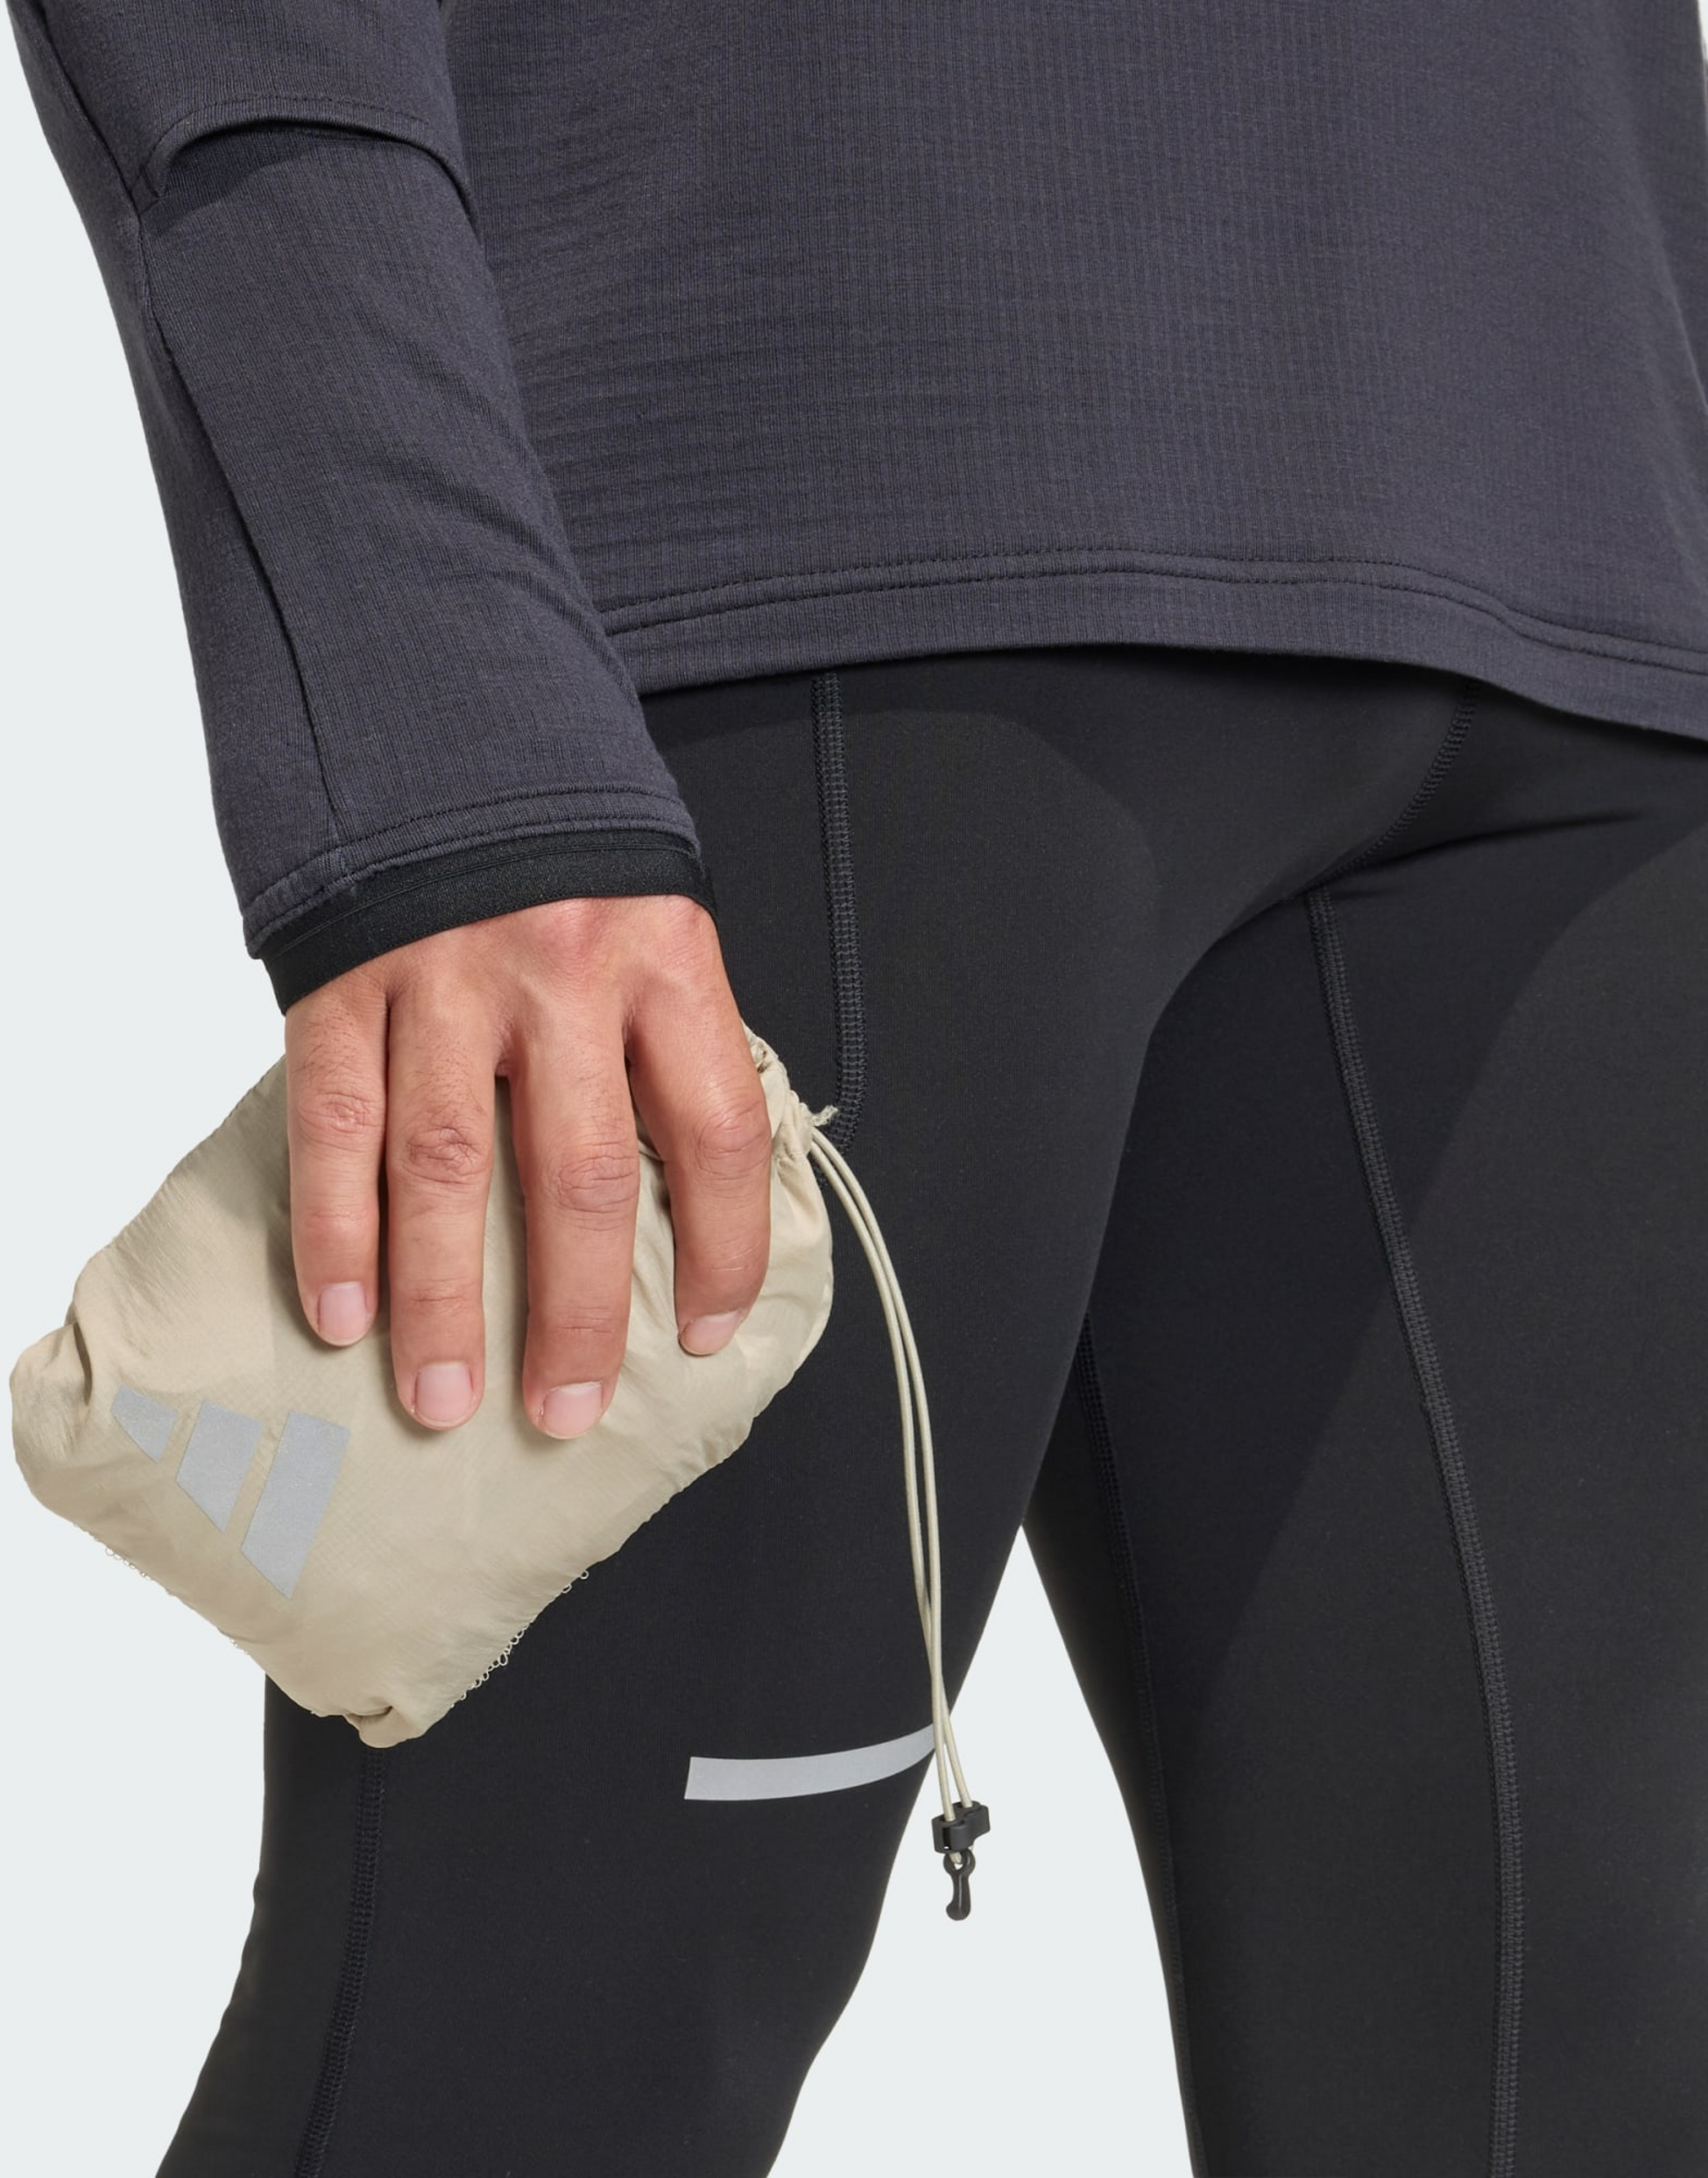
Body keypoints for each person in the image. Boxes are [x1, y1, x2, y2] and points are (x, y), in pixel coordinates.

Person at [10, 4, 1708, 2173]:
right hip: (794, 545)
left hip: (1596, 568)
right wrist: (433, 713)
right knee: (534, 2068)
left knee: (1581, 2078)